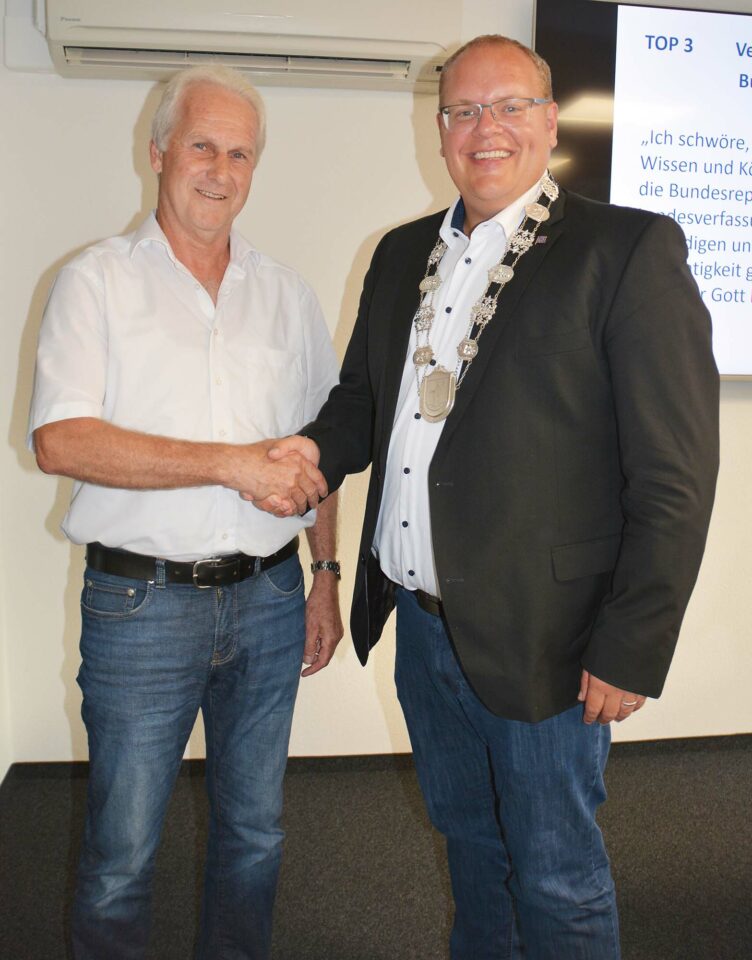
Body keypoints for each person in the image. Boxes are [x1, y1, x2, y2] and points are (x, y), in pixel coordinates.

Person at [259, 35, 720, 960]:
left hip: (550, 636)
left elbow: (674, 473)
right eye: (465, 110)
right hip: (423, 628)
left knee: (556, 874)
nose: (487, 128)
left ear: (550, 123)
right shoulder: (401, 254)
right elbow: (364, 402)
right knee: (470, 850)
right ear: (440, 131)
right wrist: (310, 451)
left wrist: (633, 643)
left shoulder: (626, 249)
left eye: (510, 106)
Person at [28, 66, 342, 960]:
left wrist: (323, 575)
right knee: (121, 855)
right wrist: (229, 465)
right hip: (142, 608)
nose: (220, 169)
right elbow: (61, 442)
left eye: (240, 154)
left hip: (272, 602)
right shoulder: (94, 281)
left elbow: (321, 451)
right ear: (159, 152)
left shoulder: (287, 294)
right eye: (203, 145)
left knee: (256, 835)